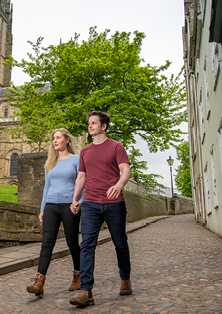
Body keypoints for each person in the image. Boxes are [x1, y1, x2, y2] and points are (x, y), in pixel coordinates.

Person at [69, 111, 132, 307]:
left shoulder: (116, 146)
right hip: (90, 204)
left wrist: (119, 185)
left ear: (103, 126)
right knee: (87, 245)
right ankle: (86, 291)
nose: (90, 126)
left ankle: (125, 279)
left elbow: (126, 170)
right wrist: (75, 199)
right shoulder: (85, 151)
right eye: (89, 123)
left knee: (120, 243)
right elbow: (81, 177)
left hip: (114, 203)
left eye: (94, 123)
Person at [26, 128, 83, 298]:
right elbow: (46, 187)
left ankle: (78, 275)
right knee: (47, 243)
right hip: (51, 205)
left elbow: (83, 183)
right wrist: (43, 208)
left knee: (72, 242)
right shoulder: (50, 162)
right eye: (53, 138)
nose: (55, 141)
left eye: (58, 137)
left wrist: (79, 202)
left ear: (67, 140)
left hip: (69, 205)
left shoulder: (76, 159)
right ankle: (39, 281)